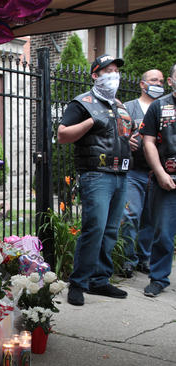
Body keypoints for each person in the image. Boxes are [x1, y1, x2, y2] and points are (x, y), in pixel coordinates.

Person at [57, 54, 134, 306]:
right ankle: (78, 283)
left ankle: (99, 281)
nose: (113, 75)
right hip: (96, 175)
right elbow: (63, 135)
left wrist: (132, 141)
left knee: (111, 230)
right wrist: (91, 121)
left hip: (121, 175)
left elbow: (123, 136)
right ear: (95, 75)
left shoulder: (119, 105)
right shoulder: (82, 103)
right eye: (107, 71)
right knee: (95, 229)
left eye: (116, 71)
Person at [118, 69, 164, 277]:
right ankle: (128, 259)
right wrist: (126, 140)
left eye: (162, 81)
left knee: (151, 218)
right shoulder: (129, 108)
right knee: (131, 214)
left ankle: (144, 258)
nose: (158, 84)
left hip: (157, 172)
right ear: (142, 84)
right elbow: (116, 134)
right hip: (134, 171)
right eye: (154, 80)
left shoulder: (165, 107)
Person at [138, 63, 176, 297]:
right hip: (166, 180)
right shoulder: (159, 107)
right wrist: (160, 173)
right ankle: (158, 278)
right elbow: (148, 141)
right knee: (162, 233)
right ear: (171, 81)